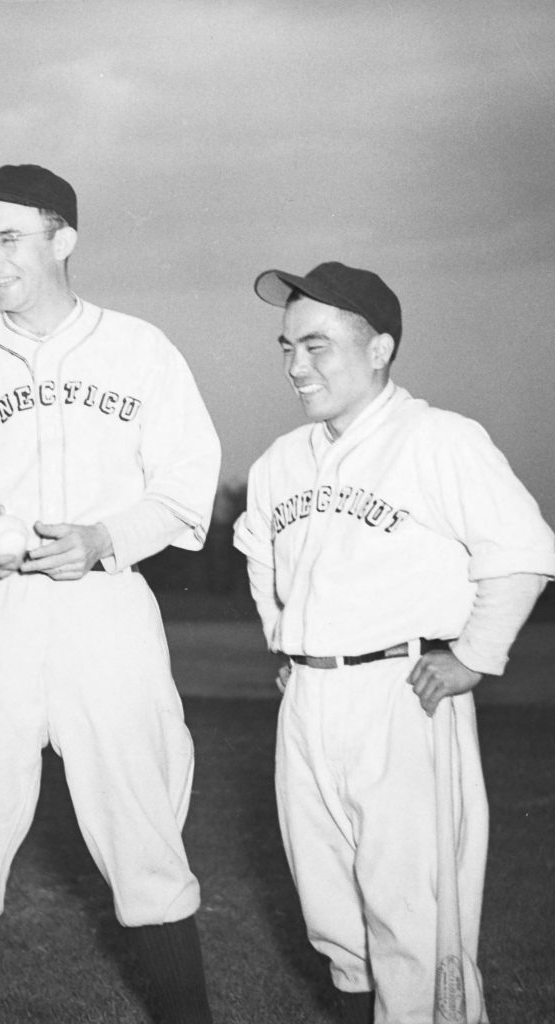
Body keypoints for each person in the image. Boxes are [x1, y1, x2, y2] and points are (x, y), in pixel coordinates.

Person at [0, 164, 222, 1023]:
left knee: (144, 836)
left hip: (107, 606)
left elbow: (187, 487)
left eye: (7, 239)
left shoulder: (139, 349)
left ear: (63, 239)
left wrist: (109, 537)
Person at [233, 261, 555, 1024]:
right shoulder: (282, 461)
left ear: (379, 348)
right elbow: (260, 557)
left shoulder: (438, 439)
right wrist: (288, 644)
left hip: (403, 695)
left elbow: (525, 552)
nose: (296, 365)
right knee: (333, 917)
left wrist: (475, 655)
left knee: (414, 919)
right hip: (311, 699)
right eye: (286, 348)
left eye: (317, 346)